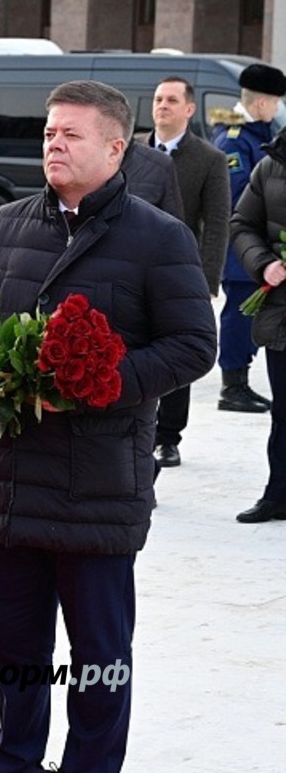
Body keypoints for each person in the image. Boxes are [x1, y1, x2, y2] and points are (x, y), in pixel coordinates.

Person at [0, 80, 214, 773]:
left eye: (72, 135)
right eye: (50, 133)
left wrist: (102, 384)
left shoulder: (157, 237)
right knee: (13, 641)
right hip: (12, 468)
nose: (54, 144)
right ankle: (13, 767)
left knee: (96, 646)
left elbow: (194, 345)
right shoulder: (9, 224)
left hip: (98, 475)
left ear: (116, 148)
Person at [148, 76, 229, 468]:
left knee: (175, 353)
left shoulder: (209, 159)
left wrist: (208, 280)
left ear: (189, 109)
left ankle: (168, 437)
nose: (162, 105)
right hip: (131, 268)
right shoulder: (131, 152)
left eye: (171, 100)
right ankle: (137, 429)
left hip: (181, 273)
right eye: (158, 99)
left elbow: (217, 224)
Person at [211, 62, 286, 413]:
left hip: (265, 254)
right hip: (244, 254)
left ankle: (241, 378)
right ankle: (233, 385)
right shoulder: (235, 139)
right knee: (239, 317)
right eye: (275, 102)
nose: (277, 109)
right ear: (261, 103)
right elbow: (237, 196)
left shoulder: (261, 134)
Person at [229, 127, 286, 523]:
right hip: (282, 309)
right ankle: (278, 494)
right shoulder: (270, 166)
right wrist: (264, 263)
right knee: (283, 411)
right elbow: (241, 223)